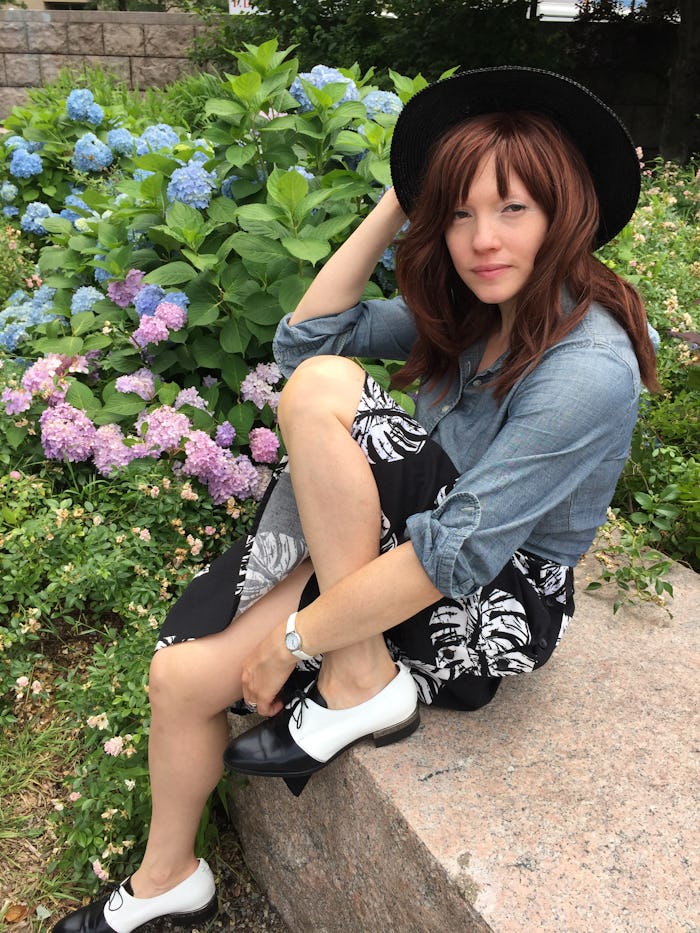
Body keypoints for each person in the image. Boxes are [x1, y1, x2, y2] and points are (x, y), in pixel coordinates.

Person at [54, 66, 659, 933]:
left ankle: (359, 675)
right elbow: (305, 336)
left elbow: (460, 552)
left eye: (513, 209)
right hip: (399, 537)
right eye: (458, 212)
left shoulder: (588, 369)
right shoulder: (475, 308)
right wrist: (398, 197)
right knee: (178, 676)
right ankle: (169, 877)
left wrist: (299, 637)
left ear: (566, 214)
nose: (483, 239)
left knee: (325, 393)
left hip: (493, 595)